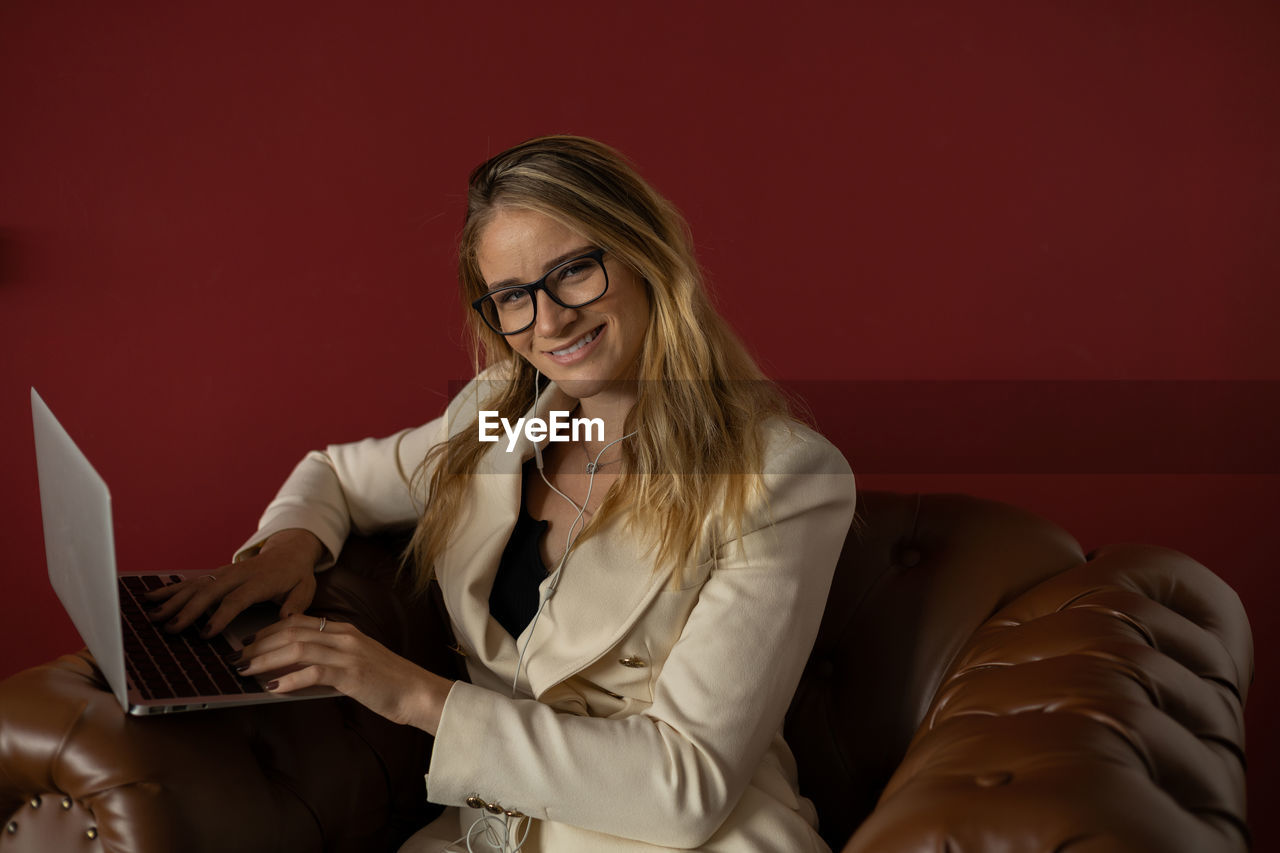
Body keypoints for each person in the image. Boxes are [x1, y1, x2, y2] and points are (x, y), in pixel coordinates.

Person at [145, 136, 857, 852]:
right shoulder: (496, 419)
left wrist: (415, 695)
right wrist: (286, 550)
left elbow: (688, 785)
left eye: (575, 270)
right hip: (493, 828)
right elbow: (332, 472)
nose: (549, 322)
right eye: (513, 297)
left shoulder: (783, 477)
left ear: (647, 255)